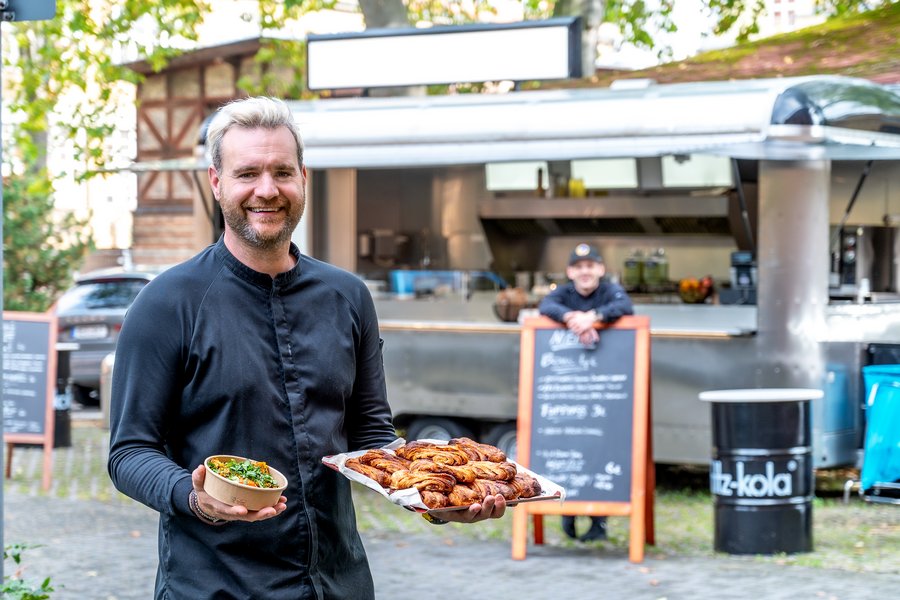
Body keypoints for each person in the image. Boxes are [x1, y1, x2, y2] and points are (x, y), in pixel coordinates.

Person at [107, 96, 506, 600]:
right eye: (247, 173)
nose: (267, 190)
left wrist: (430, 491)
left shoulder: (348, 297)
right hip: (216, 586)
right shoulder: (166, 303)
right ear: (216, 182)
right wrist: (194, 496)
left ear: (303, 178)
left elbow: (371, 433)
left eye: (282, 172)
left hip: (339, 584)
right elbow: (129, 452)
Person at [538, 242, 634, 542]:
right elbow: (546, 307)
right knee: (568, 444)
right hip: (565, 394)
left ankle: (598, 522)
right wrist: (572, 319)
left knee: (603, 444)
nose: (585, 272)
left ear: (600, 270)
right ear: (570, 272)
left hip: (604, 390)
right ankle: (568, 512)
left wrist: (592, 317)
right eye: (579, 267)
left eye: (590, 266)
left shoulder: (610, 292)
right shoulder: (563, 294)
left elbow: (624, 307)